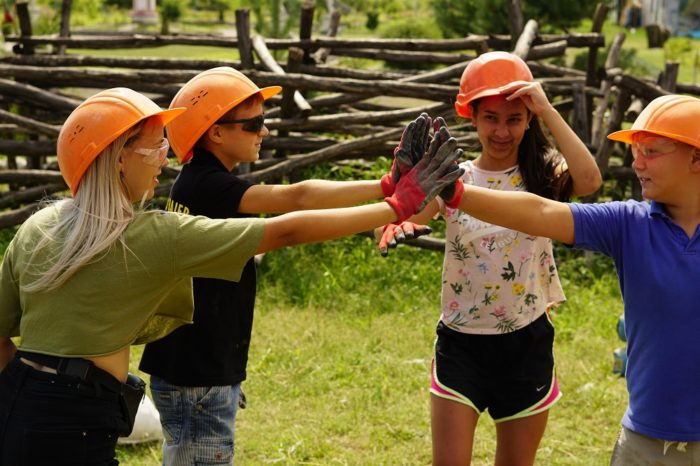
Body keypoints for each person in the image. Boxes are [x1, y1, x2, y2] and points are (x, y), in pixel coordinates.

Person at [0, 87, 462, 465]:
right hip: (79, 417)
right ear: (118, 158)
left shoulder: (38, 226)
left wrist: (28, 392)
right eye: (155, 145)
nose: (166, 156)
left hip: (22, 402)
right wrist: (395, 206)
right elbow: (287, 228)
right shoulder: (154, 235)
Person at [136, 66, 443, 465]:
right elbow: (297, 200)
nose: (264, 132)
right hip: (196, 374)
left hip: (191, 366)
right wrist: (392, 198)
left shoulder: (197, 184)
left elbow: (298, 198)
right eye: (254, 123)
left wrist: (387, 185)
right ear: (215, 132)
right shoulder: (206, 187)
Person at [421, 93, 700, 465]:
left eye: (651, 151)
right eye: (635, 151)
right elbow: (538, 211)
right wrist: (453, 190)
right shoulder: (628, 224)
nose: (636, 163)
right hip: (644, 440)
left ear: (696, 157)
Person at [379, 51, 603, 466]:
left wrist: (546, 109)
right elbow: (404, 213)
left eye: (514, 119)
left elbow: (590, 181)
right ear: (472, 118)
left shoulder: (544, 174)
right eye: (491, 118)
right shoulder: (453, 178)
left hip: (526, 343)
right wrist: (394, 222)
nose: (502, 130)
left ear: (528, 120)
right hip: (460, 344)